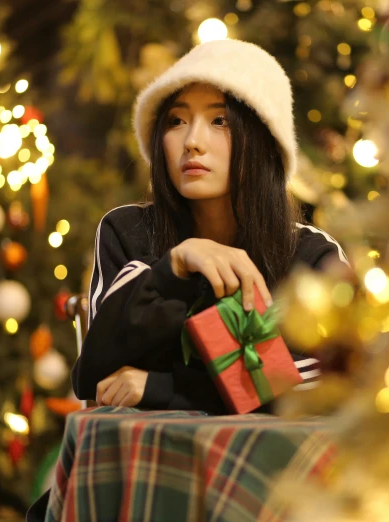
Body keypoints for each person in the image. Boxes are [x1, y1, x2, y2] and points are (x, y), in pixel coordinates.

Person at [73, 38, 349, 415]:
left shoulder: (309, 255)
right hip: (154, 465)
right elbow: (94, 372)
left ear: (265, 142)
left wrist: (164, 387)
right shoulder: (128, 232)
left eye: (219, 120)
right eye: (176, 121)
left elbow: (327, 383)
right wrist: (172, 270)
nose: (192, 142)